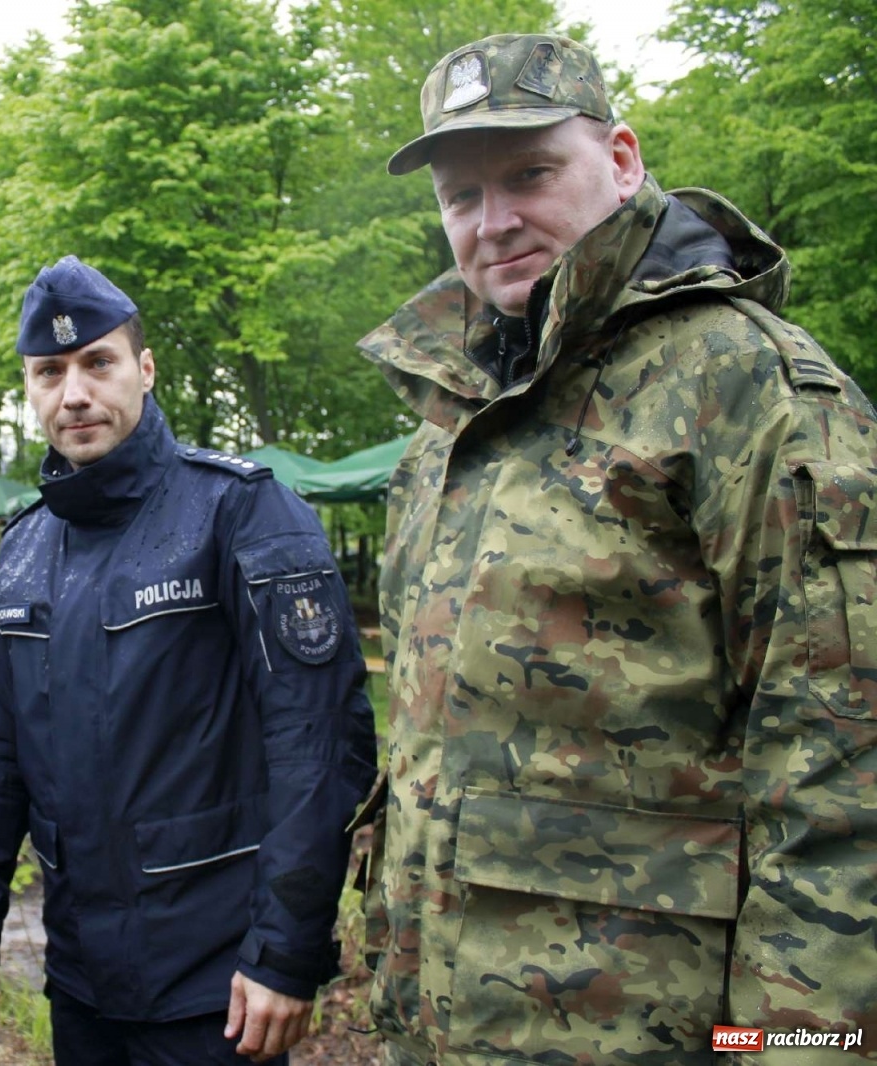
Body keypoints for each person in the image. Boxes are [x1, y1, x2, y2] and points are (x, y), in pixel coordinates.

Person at [357, 33, 877, 1064]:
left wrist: (789, 1045)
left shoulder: (744, 385)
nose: (493, 220)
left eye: (530, 174)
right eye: (460, 196)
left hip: (654, 1031)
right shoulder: (449, 425)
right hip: (439, 1021)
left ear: (624, 160)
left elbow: (842, 773)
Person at [0, 258, 377, 1065]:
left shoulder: (241, 512)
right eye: (49, 373)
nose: (74, 393)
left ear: (143, 368)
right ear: (30, 391)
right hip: (81, 981)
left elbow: (317, 745)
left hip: (219, 988)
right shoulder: (26, 547)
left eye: (96, 363)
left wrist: (287, 949)